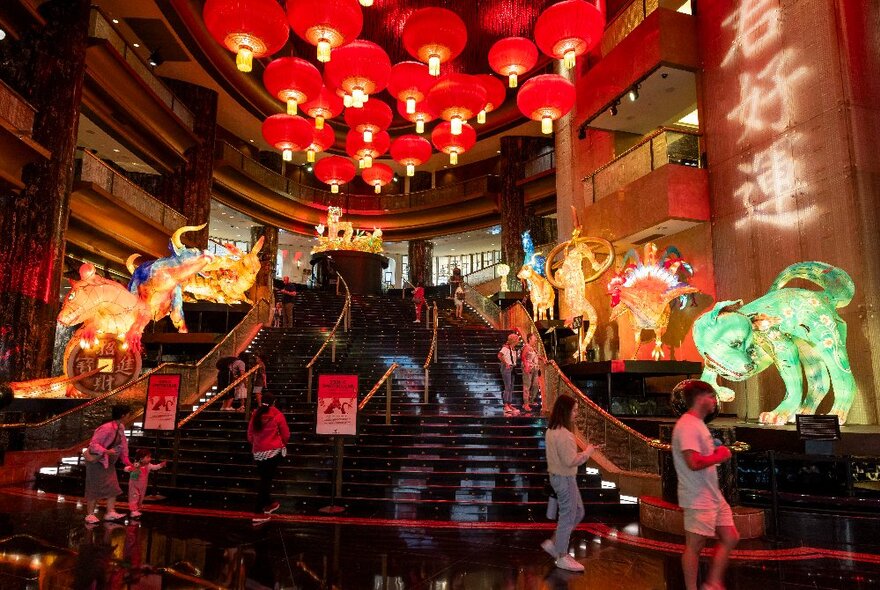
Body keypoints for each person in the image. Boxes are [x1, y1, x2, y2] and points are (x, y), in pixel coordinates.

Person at [671, 380, 739, 590]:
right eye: (710, 396)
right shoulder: (688, 425)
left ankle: (712, 583)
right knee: (694, 546)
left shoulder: (698, 424)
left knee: (730, 536)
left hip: (712, 495)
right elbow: (694, 462)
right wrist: (720, 455)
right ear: (700, 399)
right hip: (697, 497)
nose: (713, 401)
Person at [541, 395, 596, 572]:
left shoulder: (551, 430)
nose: (576, 413)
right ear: (566, 411)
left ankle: (555, 543)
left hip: (559, 478)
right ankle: (562, 555)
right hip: (564, 478)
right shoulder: (565, 435)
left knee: (577, 511)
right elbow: (570, 460)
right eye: (574, 410)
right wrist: (588, 452)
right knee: (569, 515)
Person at [83, 404, 132, 523]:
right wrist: (106, 451)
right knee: (94, 487)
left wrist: (126, 460)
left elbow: (123, 445)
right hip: (97, 462)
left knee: (113, 487)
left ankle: (110, 512)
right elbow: (93, 444)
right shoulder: (106, 428)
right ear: (123, 415)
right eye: (128, 414)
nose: (129, 416)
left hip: (108, 462)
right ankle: (90, 514)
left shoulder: (120, 427)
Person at [247, 392, 290, 524]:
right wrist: (281, 444)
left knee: (264, 478)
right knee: (266, 481)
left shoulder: (255, 414)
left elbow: (249, 434)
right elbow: (286, 434)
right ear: (274, 402)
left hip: (258, 452)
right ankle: (258, 513)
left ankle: (269, 503)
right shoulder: (277, 415)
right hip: (273, 452)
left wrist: (257, 443)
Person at [124, 448, 166, 518]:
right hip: (134, 486)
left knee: (140, 497)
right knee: (134, 497)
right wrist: (130, 469)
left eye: (150, 457)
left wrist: (160, 465)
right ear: (141, 458)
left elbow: (154, 467)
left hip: (143, 486)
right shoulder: (136, 465)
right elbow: (126, 468)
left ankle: (137, 509)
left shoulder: (148, 465)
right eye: (148, 457)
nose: (150, 459)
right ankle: (133, 511)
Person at [520, 332, 544, 414]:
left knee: (535, 385)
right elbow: (523, 357)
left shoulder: (533, 348)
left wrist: (543, 359)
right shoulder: (526, 347)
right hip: (528, 368)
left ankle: (531, 400)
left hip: (535, 368)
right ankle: (526, 404)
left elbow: (537, 356)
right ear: (530, 339)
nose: (536, 340)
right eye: (534, 338)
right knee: (527, 386)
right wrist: (526, 366)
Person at [497, 333, 520, 415]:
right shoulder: (505, 348)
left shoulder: (513, 348)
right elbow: (499, 355)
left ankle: (509, 404)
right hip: (507, 368)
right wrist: (506, 363)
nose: (518, 341)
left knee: (511, 386)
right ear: (513, 340)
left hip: (512, 368)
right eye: (517, 339)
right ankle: (505, 404)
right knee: (507, 386)